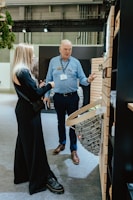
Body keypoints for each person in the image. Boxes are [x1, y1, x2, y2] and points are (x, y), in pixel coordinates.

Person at [12, 43, 64, 195]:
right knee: (35, 146)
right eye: (31, 54)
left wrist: (39, 87)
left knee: (24, 143)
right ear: (25, 55)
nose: (33, 57)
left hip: (24, 110)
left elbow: (30, 91)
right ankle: (40, 178)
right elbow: (35, 94)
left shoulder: (19, 70)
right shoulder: (22, 71)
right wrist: (49, 85)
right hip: (28, 113)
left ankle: (23, 174)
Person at [44, 39, 96, 165]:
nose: (68, 51)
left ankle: (73, 150)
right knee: (60, 122)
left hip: (73, 97)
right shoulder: (53, 62)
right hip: (58, 97)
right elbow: (48, 79)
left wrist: (88, 80)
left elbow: (82, 79)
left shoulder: (76, 62)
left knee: (73, 124)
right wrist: (46, 95)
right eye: (65, 49)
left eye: (70, 49)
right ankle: (62, 143)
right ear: (60, 49)